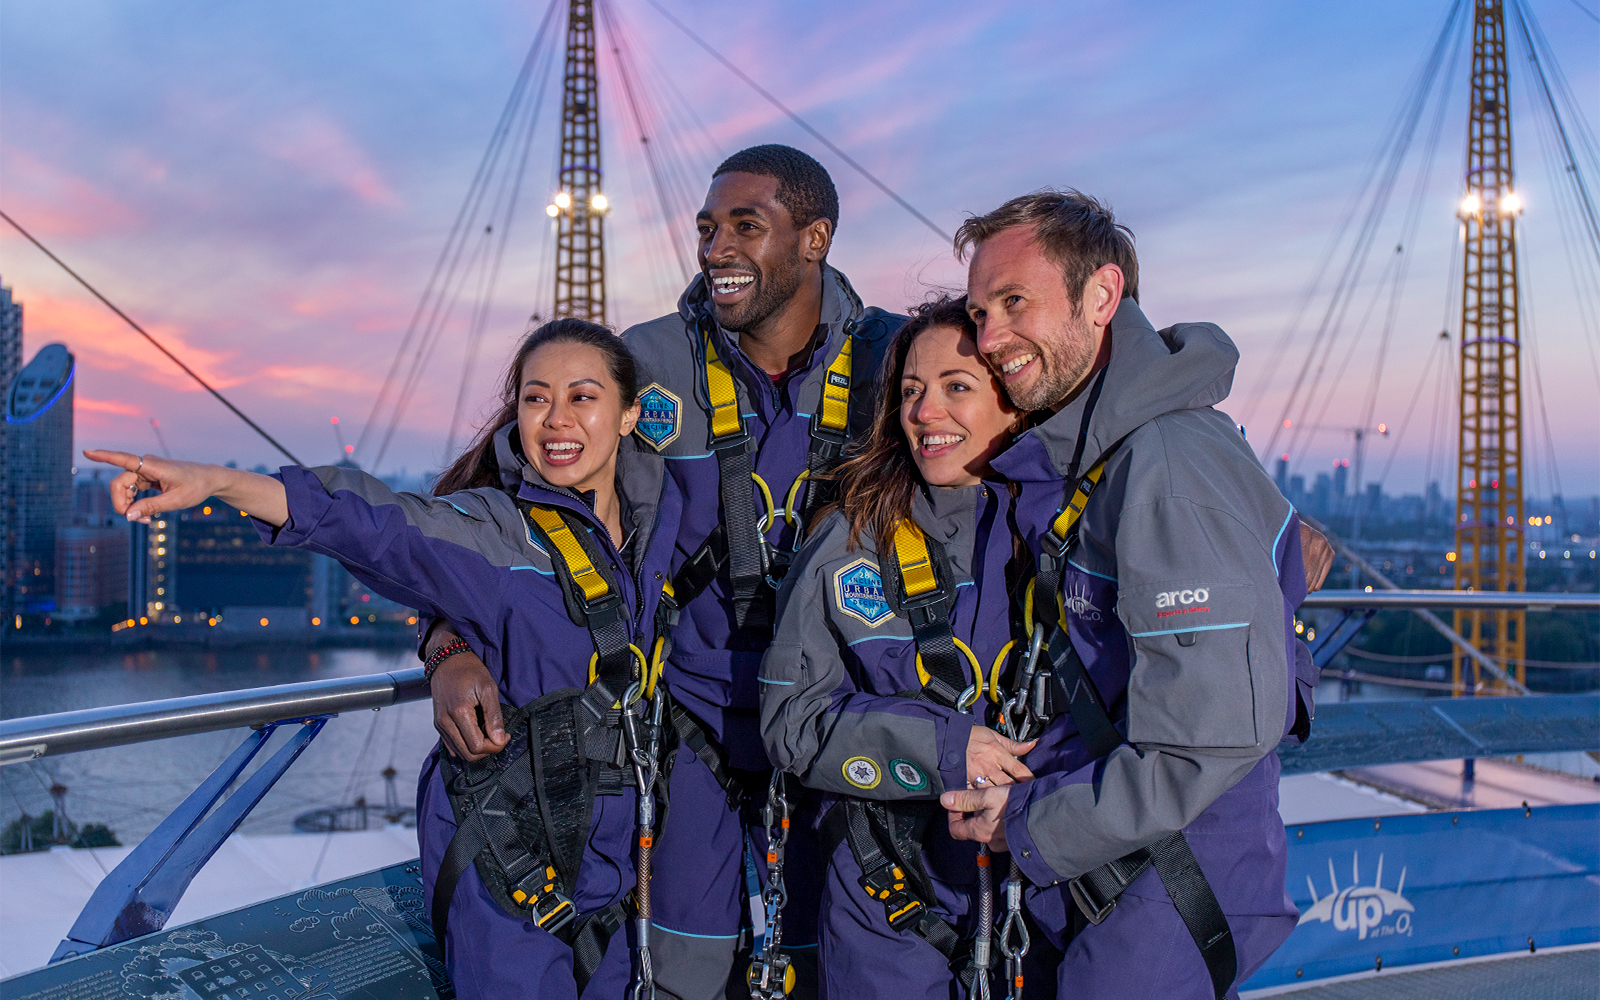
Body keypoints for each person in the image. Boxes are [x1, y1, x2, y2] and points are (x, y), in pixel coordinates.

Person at [423, 144, 907, 999]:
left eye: (745, 227)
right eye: (707, 228)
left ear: (814, 238)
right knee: (681, 971)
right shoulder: (641, 363)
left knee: (842, 968)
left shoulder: (895, 366)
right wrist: (450, 644)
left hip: (840, 728)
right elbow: (483, 504)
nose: (715, 248)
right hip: (691, 736)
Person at [88, 319, 684, 1000]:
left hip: (616, 860)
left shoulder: (657, 523)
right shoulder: (495, 532)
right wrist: (217, 482)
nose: (555, 420)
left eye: (582, 397)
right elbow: (377, 522)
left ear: (630, 414)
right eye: (535, 398)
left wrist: (444, 643)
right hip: (510, 861)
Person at [938, 190, 1328, 1000]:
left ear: (1102, 296)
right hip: (1120, 866)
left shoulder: (1168, 463)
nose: (991, 338)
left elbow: (1208, 739)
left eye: (1016, 303)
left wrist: (1031, 821)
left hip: (1166, 880)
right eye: (980, 312)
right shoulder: (1100, 455)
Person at [761, 295, 1040, 999]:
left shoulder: (1070, 532)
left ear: (1014, 401)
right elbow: (790, 725)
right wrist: (943, 747)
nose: (924, 412)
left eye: (957, 387)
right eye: (911, 391)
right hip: (886, 897)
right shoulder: (850, 538)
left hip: (1037, 893)